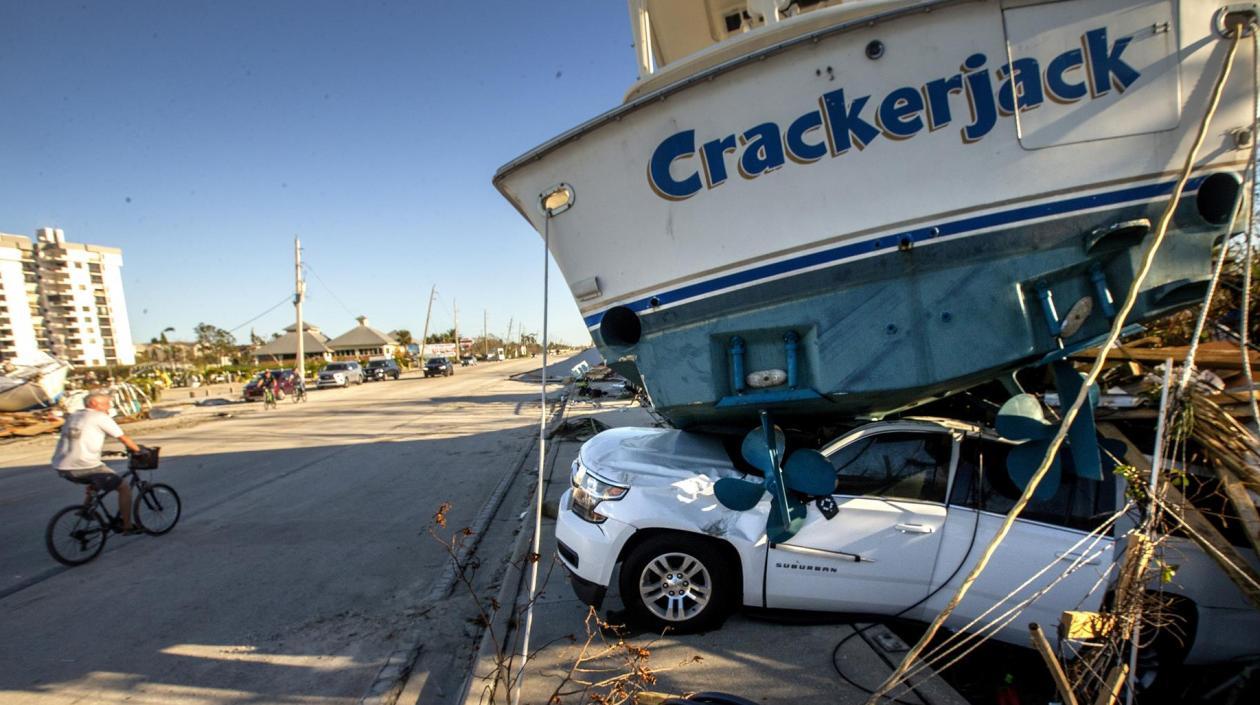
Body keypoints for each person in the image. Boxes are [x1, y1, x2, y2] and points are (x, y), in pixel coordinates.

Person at [51, 390, 143, 532]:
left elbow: (79, 439)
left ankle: (86, 510)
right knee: (123, 487)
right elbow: (123, 438)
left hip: (62, 466)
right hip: (83, 466)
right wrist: (139, 451)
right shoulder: (99, 417)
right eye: (106, 404)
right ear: (94, 403)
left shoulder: (74, 415)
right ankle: (127, 526)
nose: (108, 408)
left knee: (98, 478)